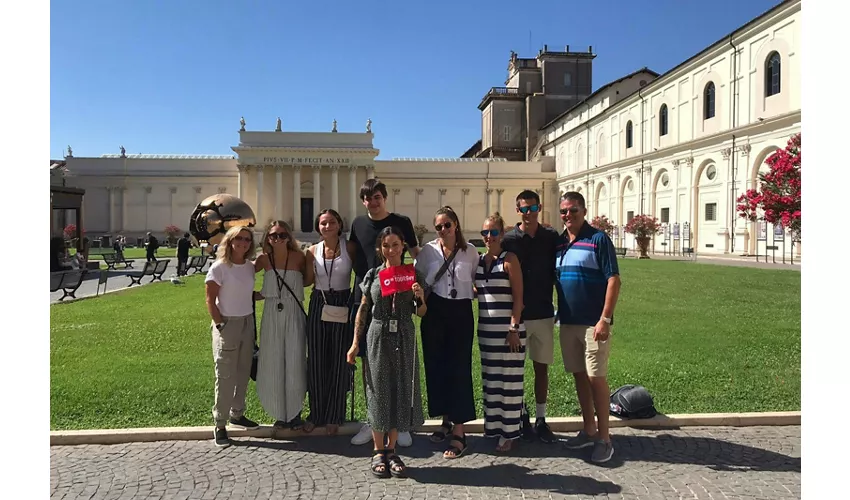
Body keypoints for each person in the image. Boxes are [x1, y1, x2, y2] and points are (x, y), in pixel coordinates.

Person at [346, 226, 426, 479]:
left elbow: (421, 312)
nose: (390, 250)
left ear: (403, 246)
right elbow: (363, 309)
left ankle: (392, 450)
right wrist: (355, 343)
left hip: (404, 333)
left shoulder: (412, 275)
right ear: (380, 249)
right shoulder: (372, 275)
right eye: (386, 245)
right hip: (378, 334)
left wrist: (420, 297)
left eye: (395, 245)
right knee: (378, 389)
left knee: (399, 389)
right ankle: (378, 450)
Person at [347, 178, 420, 447]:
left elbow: (416, 252)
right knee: (370, 363)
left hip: (399, 296)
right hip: (370, 292)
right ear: (363, 200)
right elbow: (353, 254)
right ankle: (373, 419)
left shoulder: (401, 221)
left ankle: (400, 424)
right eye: (367, 198)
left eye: (377, 197)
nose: (372, 202)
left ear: (384, 197)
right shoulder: (357, 224)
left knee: (399, 362)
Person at [556, 191, 621, 464]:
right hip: (568, 321)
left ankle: (605, 439)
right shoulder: (559, 244)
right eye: (564, 211)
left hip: (593, 324)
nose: (568, 215)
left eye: (572, 210)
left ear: (584, 211)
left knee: (597, 378)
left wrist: (604, 319)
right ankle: (589, 428)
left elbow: (614, 280)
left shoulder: (598, 239)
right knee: (579, 377)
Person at [415, 206, 478, 459]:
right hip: (435, 311)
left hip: (461, 312)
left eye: (447, 225)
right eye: (439, 226)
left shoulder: (470, 252)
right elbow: (418, 281)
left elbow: (475, 281)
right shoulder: (428, 252)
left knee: (459, 368)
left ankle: (460, 433)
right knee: (437, 367)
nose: (443, 230)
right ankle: (445, 421)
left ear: (456, 225)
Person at [501, 189, 560, 443]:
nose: (528, 213)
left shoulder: (550, 237)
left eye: (532, 208)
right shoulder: (509, 239)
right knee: (515, 369)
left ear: (539, 207)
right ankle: (520, 414)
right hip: (517, 316)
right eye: (524, 209)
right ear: (518, 211)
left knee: (541, 368)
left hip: (544, 313)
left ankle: (541, 419)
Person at [204, 226, 261, 448]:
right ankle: (220, 423)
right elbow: (210, 299)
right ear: (230, 241)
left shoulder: (248, 267)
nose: (244, 243)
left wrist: (262, 295)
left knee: (243, 371)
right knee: (225, 374)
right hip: (227, 323)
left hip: (247, 322)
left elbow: (244, 292)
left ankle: (238, 413)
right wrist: (220, 323)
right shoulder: (219, 268)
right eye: (239, 239)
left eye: (247, 240)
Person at [254, 220, 312, 431]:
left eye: (281, 235)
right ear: (267, 239)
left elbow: (308, 281)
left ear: (289, 237)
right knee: (273, 360)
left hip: (294, 313)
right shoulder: (262, 259)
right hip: (271, 314)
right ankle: (279, 412)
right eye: (273, 235)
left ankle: (295, 412)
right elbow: (242, 276)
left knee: (295, 360)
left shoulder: (300, 257)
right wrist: (259, 294)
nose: (277, 239)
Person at [475, 212, 525, 452]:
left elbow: (518, 298)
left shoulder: (509, 259)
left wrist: (513, 327)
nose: (488, 237)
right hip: (486, 333)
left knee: (510, 383)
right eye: (485, 233)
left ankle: (510, 432)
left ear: (502, 234)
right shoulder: (479, 261)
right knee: (492, 382)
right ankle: (494, 428)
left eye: (493, 232)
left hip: (509, 334)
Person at [304, 209, 357, 436]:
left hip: (343, 302)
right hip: (319, 303)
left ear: (339, 224)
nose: (327, 226)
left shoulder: (349, 248)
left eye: (332, 222)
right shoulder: (311, 251)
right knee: (316, 361)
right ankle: (316, 414)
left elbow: (363, 273)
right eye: (323, 223)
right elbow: (307, 280)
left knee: (338, 361)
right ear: (318, 227)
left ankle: (335, 414)